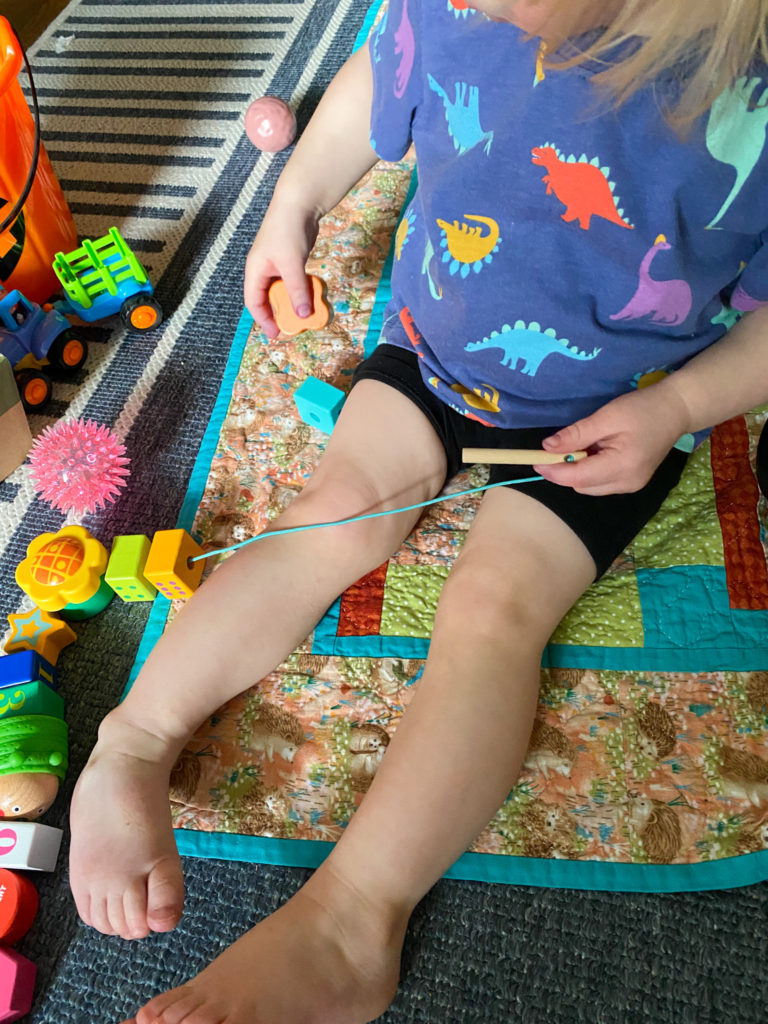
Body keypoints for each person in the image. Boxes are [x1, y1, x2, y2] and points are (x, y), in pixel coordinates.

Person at [69, 1, 768, 1021]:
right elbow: (376, 74)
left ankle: (351, 924)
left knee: (493, 611)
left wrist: (677, 409)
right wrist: (295, 199)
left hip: (621, 409)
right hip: (431, 352)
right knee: (340, 507)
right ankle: (132, 740)